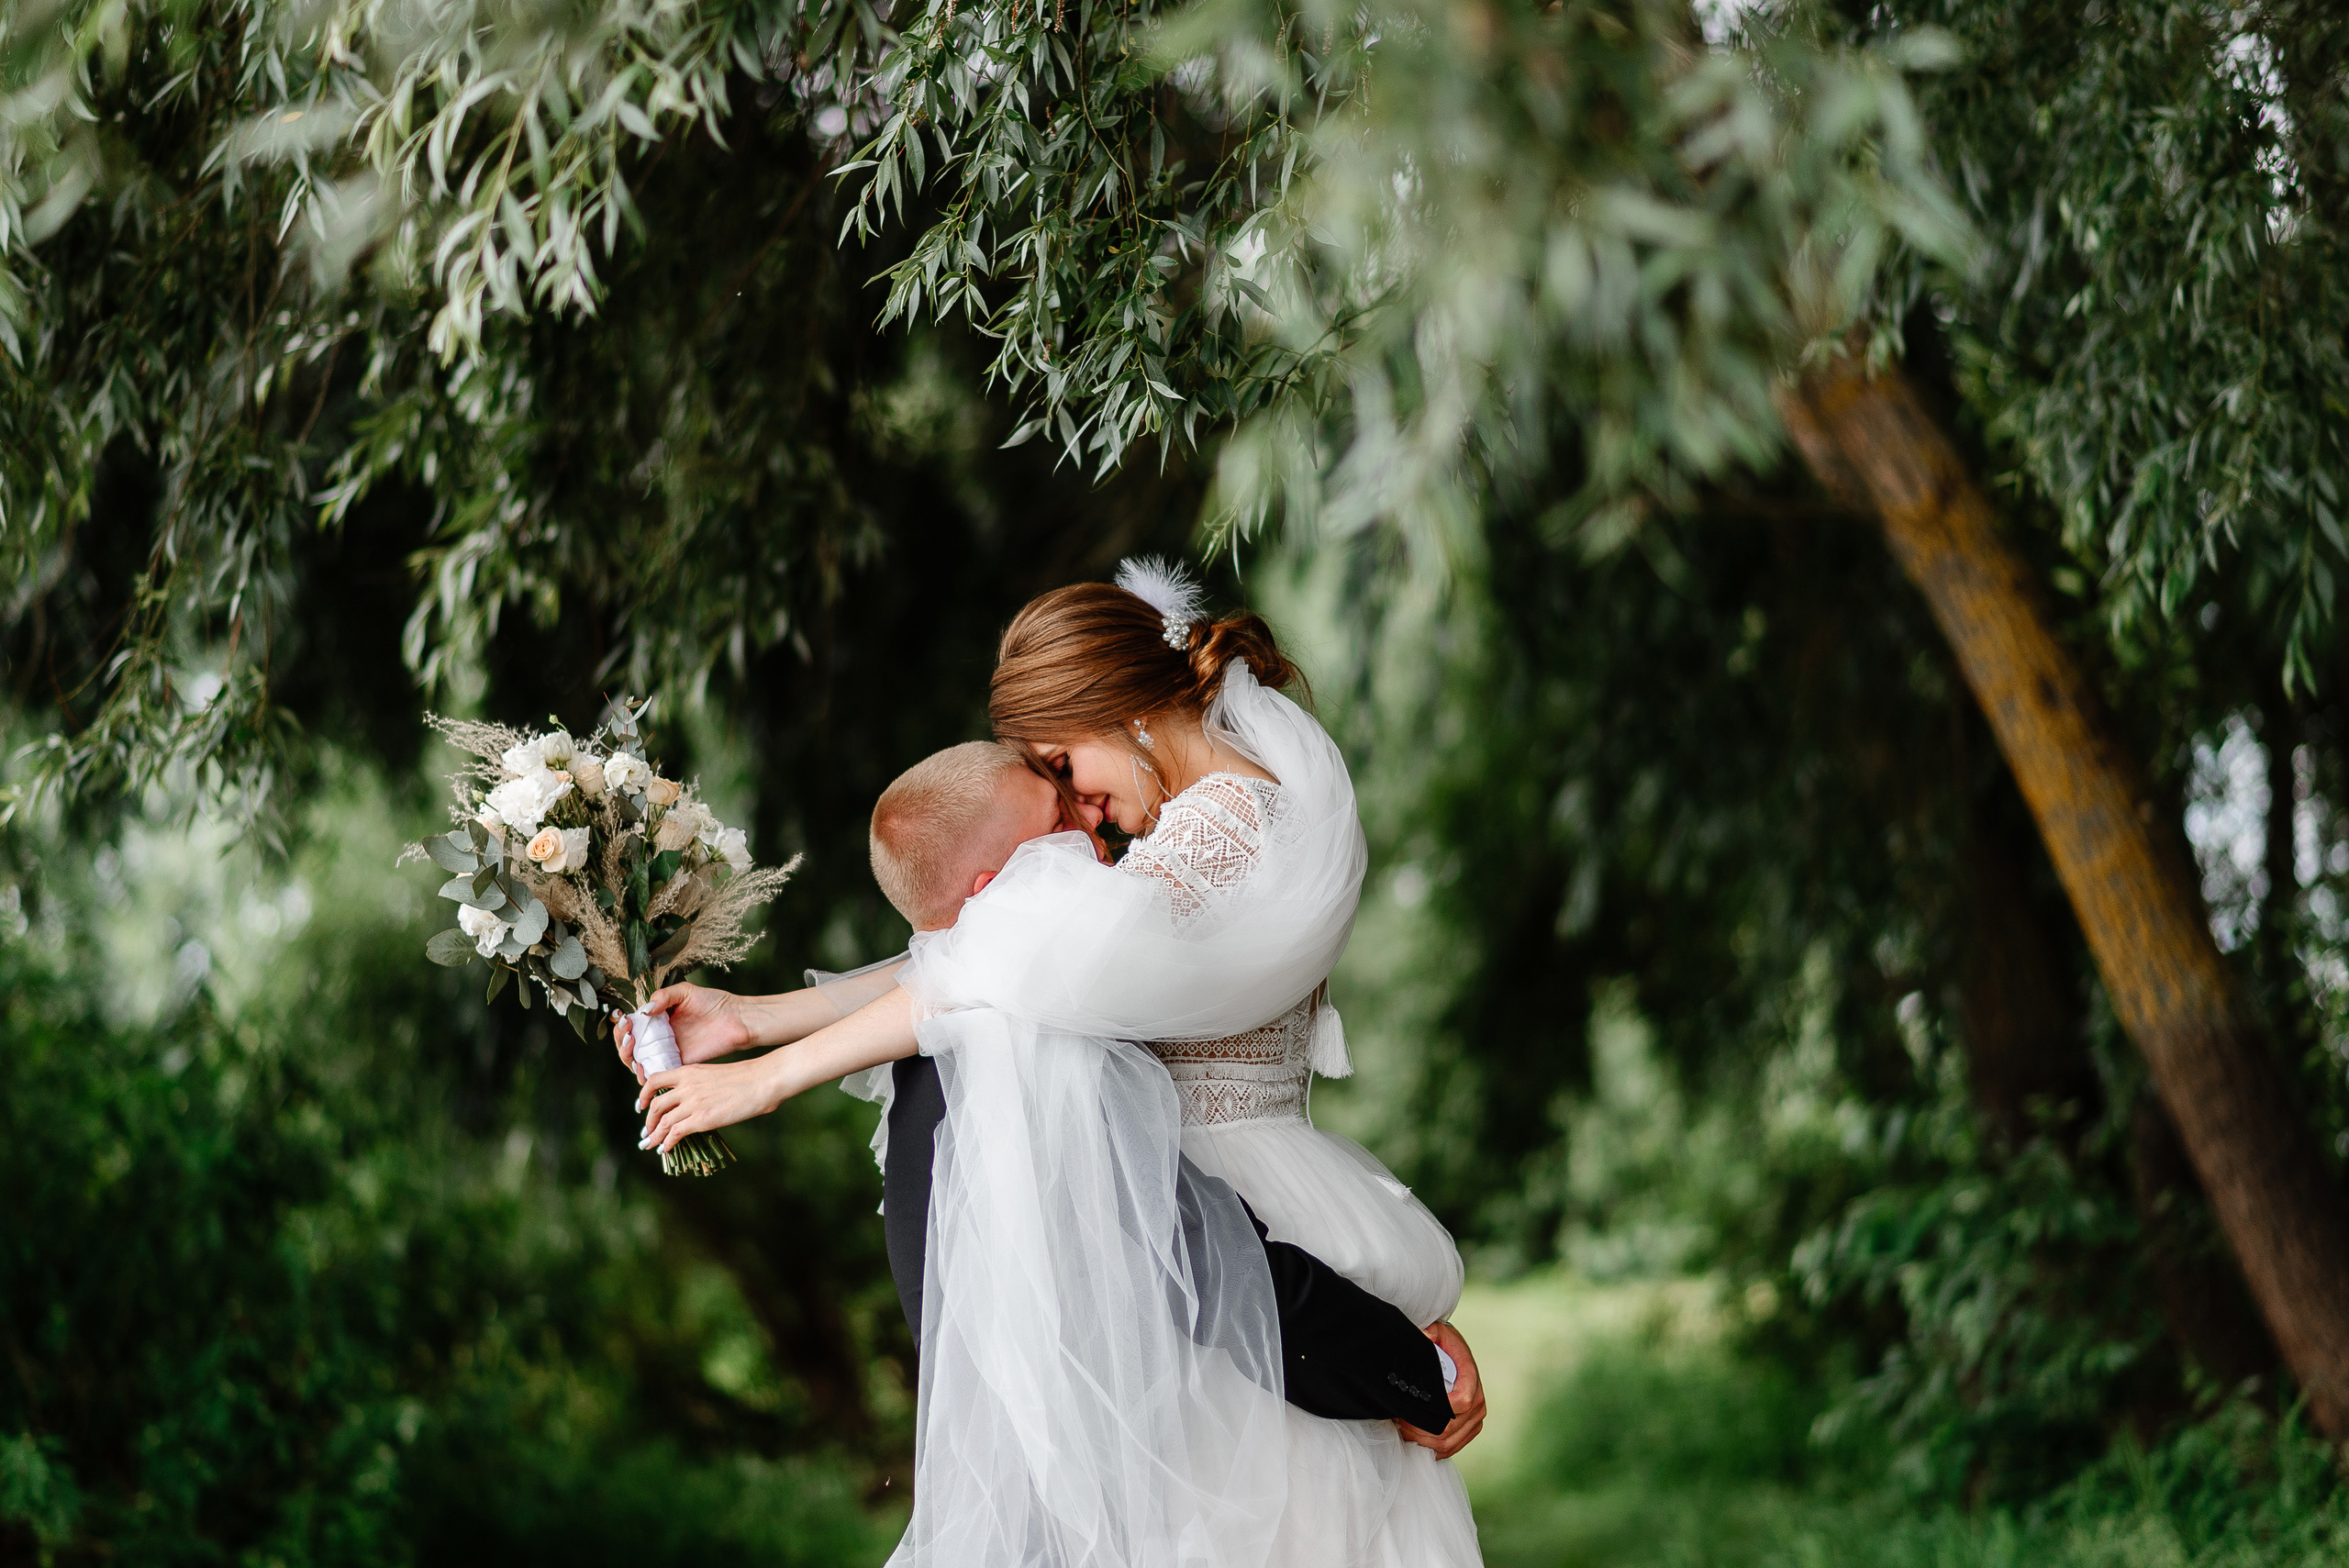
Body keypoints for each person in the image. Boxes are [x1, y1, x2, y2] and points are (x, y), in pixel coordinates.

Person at [623, 559, 1486, 1565]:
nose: (1076, 808)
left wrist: (769, 1075)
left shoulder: (1223, 827)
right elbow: (974, 964)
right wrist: (752, 1016)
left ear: (1117, 711)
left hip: (1227, 1233)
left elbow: (1001, 972)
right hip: (1226, 1219)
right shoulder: (1202, 824)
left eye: (1062, 763)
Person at [618, 740, 1469, 1438]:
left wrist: (751, 1019)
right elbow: (1213, 1265)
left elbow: (941, 970)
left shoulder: (945, 1051)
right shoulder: (1028, 1052)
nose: (1099, 832)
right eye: (1061, 819)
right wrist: (1417, 1373)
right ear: (997, 896)